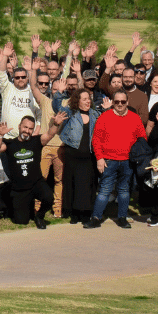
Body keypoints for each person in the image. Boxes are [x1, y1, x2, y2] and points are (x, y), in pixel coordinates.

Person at [87, 89, 148, 230]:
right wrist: (99, 158)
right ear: (113, 102)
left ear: (127, 102)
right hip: (109, 160)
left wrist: (138, 156)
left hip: (128, 161)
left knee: (124, 190)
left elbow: (142, 138)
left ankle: (122, 217)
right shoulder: (104, 117)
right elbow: (96, 139)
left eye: (122, 101)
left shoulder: (135, 118)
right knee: (104, 190)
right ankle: (96, 218)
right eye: (117, 102)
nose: (120, 104)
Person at [0, 113, 64, 229]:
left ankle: (39, 216)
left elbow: (50, 134)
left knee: (49, 197)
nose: (27, 131)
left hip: (36, 184)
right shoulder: (10, 143)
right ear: (19, 126)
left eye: (30, 129)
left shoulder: (37, 141)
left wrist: (56, 124)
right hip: (19, 189)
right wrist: (0, 135)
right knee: (21, 221)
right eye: (25, 127)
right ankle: (20, 207)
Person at [59, 88, 100, 224]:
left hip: (89, 156)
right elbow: (57, 106)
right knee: (73, 185)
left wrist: (106, 110)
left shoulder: (95, 114)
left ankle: (85, 213)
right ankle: (73, 214)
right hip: (73, 155)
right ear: (77, 101)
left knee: (87, 186)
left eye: (89, 99)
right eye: (84, 99)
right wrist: (59, 94)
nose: (88, 101)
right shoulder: (71, 113)